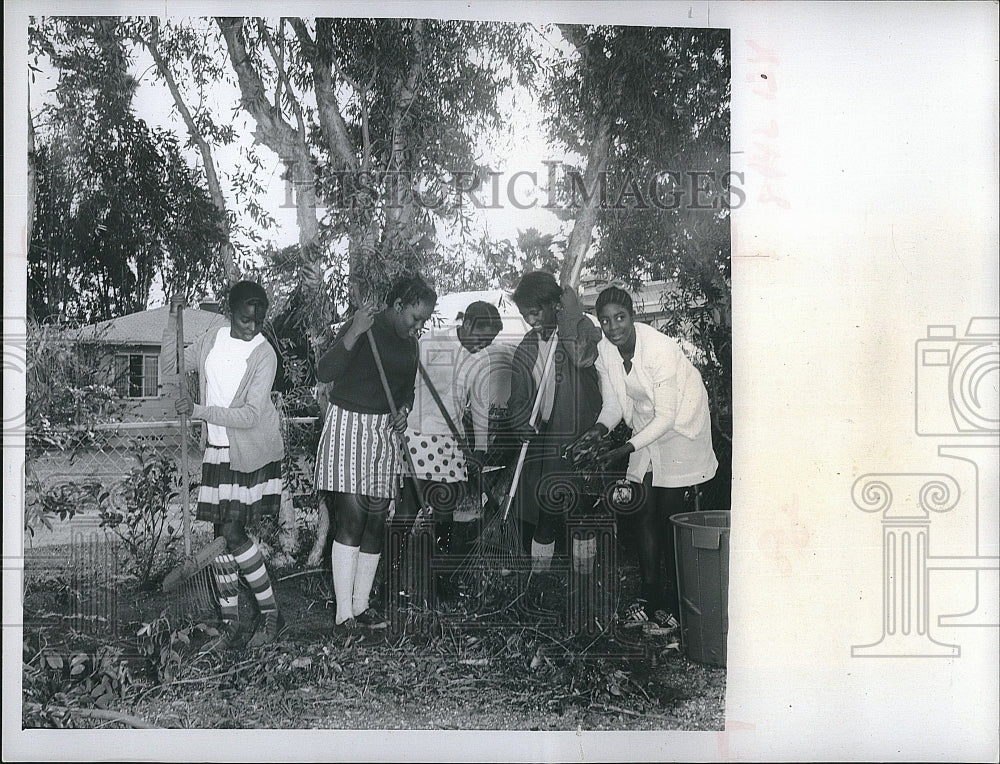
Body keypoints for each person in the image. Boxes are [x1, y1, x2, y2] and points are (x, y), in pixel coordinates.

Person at [571, 286, 718, 631]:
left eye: (619, 318)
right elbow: (612, 406)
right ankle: (651, 598)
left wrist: (623, 449)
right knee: (640, 511)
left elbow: (667, 416)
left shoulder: (660, 350)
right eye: (605, 320)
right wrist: (598, 432)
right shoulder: (606, 351)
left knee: (668, 519)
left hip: (681, 427)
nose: (612, 327)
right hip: (644, 431)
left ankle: (677, 607)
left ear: (632, 315)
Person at [314, 273, 437, 631]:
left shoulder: (409, 344)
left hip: (383, 433)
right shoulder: (364, 327)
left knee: (375, 522)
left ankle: (362, 605)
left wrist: (403, 411)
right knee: (353, 520)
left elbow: (405, 392)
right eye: (416, 317)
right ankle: (343, 615)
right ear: (397, 306)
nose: (418, 325)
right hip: (349, 427)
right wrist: (352, 332)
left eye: (424, 320)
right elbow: (325, 370)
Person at [172, 280, 287, 650]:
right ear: (228, 311)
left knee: (232, 534)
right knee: (220, 538)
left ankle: (270, 613)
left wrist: (198, 411)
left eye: (259, 319)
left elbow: (251, 414)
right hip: (218, 450)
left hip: (250, 449)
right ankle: (229, 623)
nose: (252, 327)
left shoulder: (264, 354)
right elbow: (171, 363)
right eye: (244, 319)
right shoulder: (212, 341)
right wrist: (170, 320)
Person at [392, 301, 503, 599]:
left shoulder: (483, 361)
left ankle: (441, 582)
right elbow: (405, 383)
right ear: (466, 324)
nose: (483, 345)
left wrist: (479, 449)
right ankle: (390, 582)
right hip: (416, 436)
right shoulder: (431, 342)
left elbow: (479, 406)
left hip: (450, 442)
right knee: (407, 511)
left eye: (489, 341)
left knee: (445, 513)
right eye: (481, 337)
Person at [507, 271, 606, 594]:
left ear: (553, 306)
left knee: (582, 512)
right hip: (547, 438)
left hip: (582, 436)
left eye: (536, 312)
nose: (531, 320)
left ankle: (585, 581)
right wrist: (522, 420)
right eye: (526, 315)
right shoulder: (526, 347)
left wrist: (571, 314)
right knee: (544, 507)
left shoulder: (580, 325)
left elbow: (581, 356)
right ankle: (540, 579)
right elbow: (518, 399)